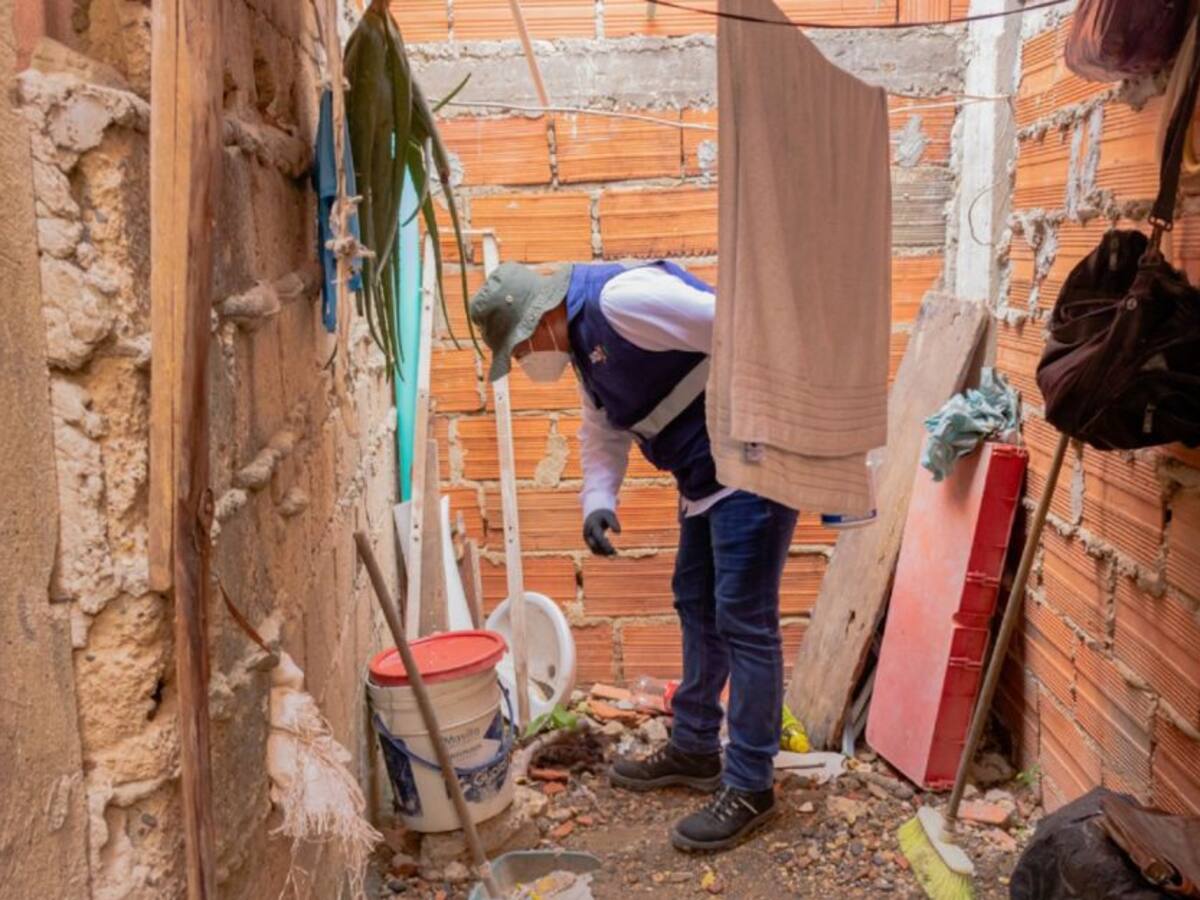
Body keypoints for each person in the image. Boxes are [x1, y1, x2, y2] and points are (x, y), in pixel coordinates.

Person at [469, 260, 798, 852]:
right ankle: (696, 747)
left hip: (752, 459)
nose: (522, 364)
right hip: (707, 477)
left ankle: (751, 783)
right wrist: (598, 501)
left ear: (537, 321)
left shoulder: (622, 300)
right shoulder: (584, 349)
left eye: (518, 351)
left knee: (746, 623)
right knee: (696, 602)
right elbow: (604, 431)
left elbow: (739, 325)